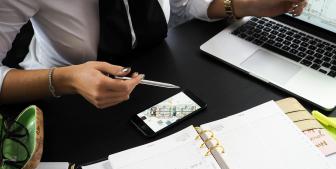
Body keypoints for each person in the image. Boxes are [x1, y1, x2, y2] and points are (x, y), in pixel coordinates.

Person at [0, 0, 307, 109]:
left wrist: (242, 5)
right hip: (66, 102)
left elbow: (183, 5)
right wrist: (65, 79)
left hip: (157, 73)